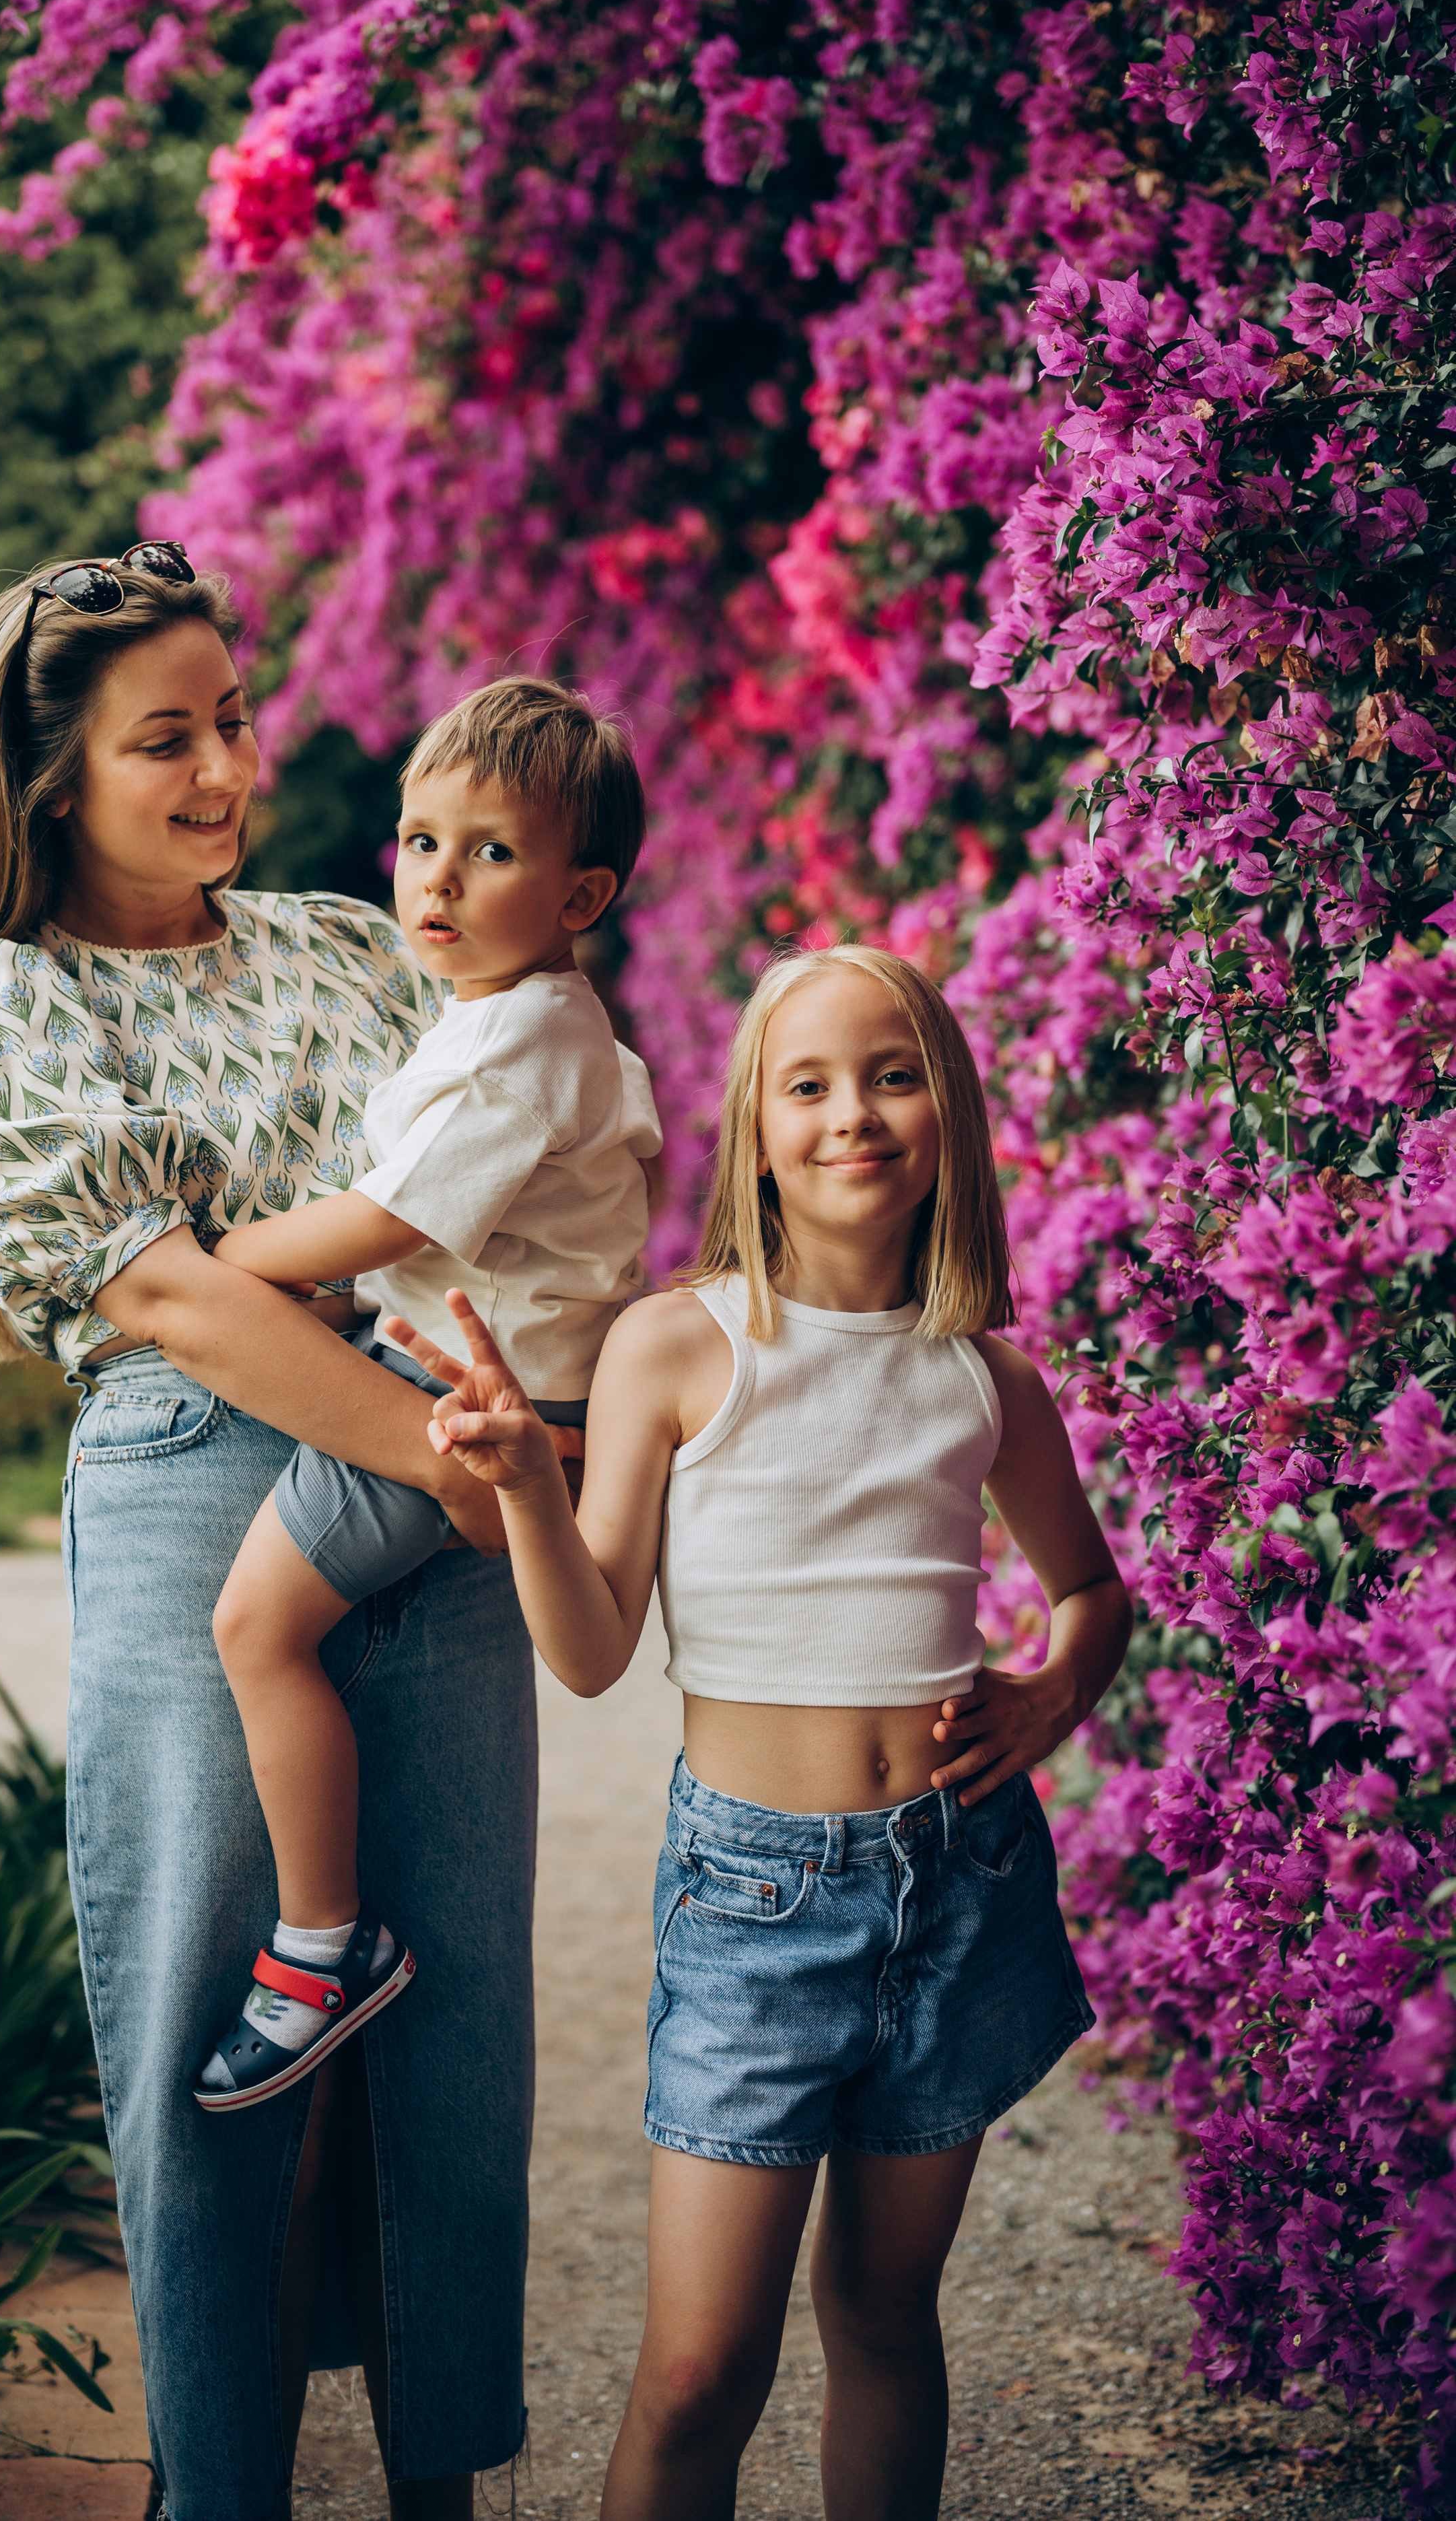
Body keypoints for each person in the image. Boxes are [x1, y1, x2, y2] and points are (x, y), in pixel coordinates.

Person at [0, 545, 539, 2521]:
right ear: (52, 772)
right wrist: (450, 1463)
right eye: (165, 737)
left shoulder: (345, 943)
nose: (224, 763)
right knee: (214, 2028)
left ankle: (443, 2485)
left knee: (458, 2020)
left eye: (232, 719)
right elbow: (169, 1300)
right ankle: (221, 2488)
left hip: (427, 1463)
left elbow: (502, 1154)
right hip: (211, 1477)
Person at [386, 942, 1132, 2521]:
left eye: (891, 1073)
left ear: (948, 1116)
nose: (849, 1113)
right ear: (755, 1132)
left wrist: (1046, 1688)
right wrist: (525, 1476)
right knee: (694, 2369)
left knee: (880, 2316)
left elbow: (1090, 1597)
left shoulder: (984, 1378)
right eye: (807, 1083)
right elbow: (589, 1651)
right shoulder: (678, 1346)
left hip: (956, 1887)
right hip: (754, 1905)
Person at [199, 678, 660, 2111]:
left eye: (490, 851)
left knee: (255, 1629)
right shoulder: (503, 1017)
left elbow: (390, 1217)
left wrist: (229, 1262)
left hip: (459, 1394)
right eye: (417, 841)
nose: (437, 877)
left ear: (580, 889)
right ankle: (322, 1927)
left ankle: (318, 1944)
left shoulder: (521, 1041)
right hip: (480, 1370)